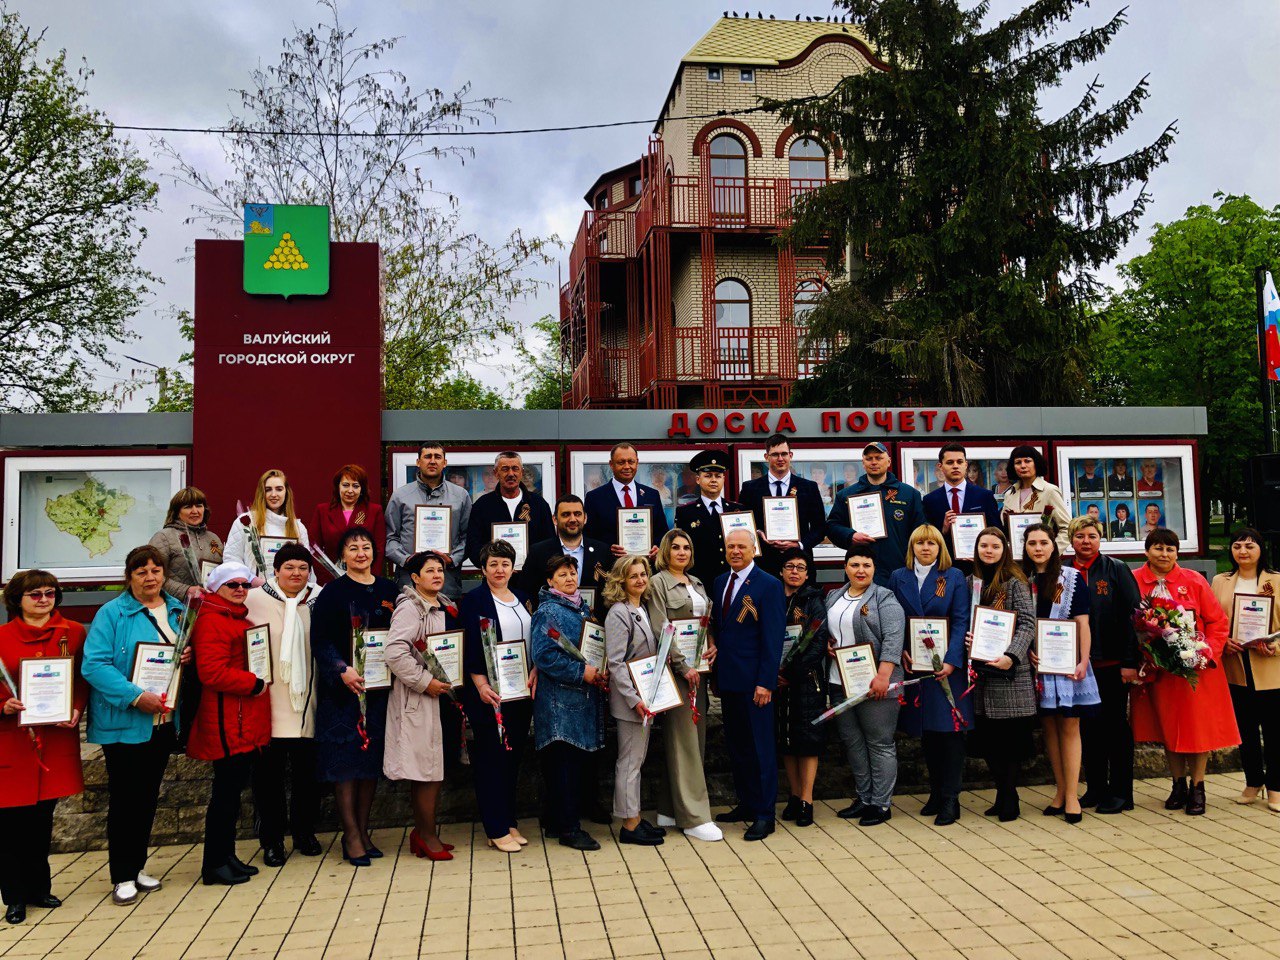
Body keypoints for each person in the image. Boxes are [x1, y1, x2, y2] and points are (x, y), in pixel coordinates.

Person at [82, 545, 188, 906]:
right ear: (129, 577)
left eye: (156, 570)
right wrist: (134, 696)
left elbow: (178, 656)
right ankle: (121, 875)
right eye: (141, 571)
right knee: (126, 800)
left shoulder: (176, 611)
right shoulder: (112, 613)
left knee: (146, 798)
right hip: (125, 721)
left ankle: (138, 866)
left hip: (161, 720)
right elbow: (94, 666)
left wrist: (186, 655)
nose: (150, 577)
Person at [1132, 528, 1238, 815]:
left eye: (1170, 549)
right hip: (1160, 670)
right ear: (1147, 551)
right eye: (1158, 548)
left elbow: (1217, 622)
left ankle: (1198, 786)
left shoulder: (1193, 581)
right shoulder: (1134, 582)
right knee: (1168, 728)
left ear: (1177, 553)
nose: (1164, 554)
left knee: (1197, 730)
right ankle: (1177, 783)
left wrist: (1207, 652)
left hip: (1196, 669)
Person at [0, 571, 86, 924]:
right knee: (10, 825)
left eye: (50, 593)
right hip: (13, 742)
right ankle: (14, 897)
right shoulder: (1, 637)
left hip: (54, 740)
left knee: (41, 821)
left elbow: (82, 678)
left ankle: (39, 888)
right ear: (16, 599)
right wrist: (2, 706)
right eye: (34, 594)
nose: (43, 599)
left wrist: (78, 706)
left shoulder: (75, 632)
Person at [310, 527, 397, 864]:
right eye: (352, 548)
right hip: (343, 693)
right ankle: (350, 835)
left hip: (378, 691)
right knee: (345, 765)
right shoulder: (332, 593)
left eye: (365, 547)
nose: (360, 553)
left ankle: (363, 830)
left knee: (369, 764)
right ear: (342, 556)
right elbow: (320, 640)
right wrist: (341, 669)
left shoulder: (389, 589)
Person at [187, 562, 271, 886]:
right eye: (232, 584)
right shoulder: (212, 621)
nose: (239, 589)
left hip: (240, 717)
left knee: (233, 794)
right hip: (226, 718)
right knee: (224, 795)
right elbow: (211, 672)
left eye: (244, 584)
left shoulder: (237, 618)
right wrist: (253, 683)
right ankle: (214, 865)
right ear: (216, 587)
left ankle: (227, 856)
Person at [243, 543, 322, 865]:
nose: (296, 574)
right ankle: (272, 840)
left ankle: (305, 833)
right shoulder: (253, 601)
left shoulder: (317, 600)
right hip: (268, 705)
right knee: (268, 780)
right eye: (289, 567)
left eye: (302, 568)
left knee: (307, 778)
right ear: (275, 571)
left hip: (308, 704)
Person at [889, 526, 971, 827]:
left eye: (932, 543)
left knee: (948, 732)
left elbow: (962, 619)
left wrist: (951, 661)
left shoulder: (954, 576)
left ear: (941, 547)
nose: (926, 548)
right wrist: (900, 652)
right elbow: (894, 619)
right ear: (912, 546)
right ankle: (936, 793)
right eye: (920, 543)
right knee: (927, 733)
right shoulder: (900, 576)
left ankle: (951, 798)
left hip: (946, 667)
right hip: (917, 664)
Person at [644, 529, 721, 841]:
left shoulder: (698, 583)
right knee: (685, 739)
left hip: (697, 672)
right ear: (665, 551)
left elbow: (704, 623)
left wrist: (711, 644)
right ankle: (694, 818)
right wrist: (682, 664)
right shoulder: (658, 583)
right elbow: (660, 627)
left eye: (686, 547)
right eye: (675, 547)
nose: (681, 552)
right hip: (676, 673)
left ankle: (669, 808)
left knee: (693, 738)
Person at [458, 540, 534, 853]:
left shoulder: (524, 598)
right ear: (483, 569)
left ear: (513, 567)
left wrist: (535, 671)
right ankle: (495, 826)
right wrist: (479, 684)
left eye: (504, 564)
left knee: (513, 757)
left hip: (521, 690)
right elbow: (470, 645)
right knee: (491, 758)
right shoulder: (473, 600)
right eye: (493, 565)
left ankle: (509, 820)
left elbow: (537, 638)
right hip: (488, 693)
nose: (499, 570)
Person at [1019, 523, 1097, 823]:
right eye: (1032, 543)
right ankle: (1060, 791)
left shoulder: (1071, 578)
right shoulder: (1020, 580)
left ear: (1054, 546)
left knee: (1070, 726)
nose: (1038, 548)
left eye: (1043, 542)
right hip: (1037, 665)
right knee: (1049, 728)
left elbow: (1082, 623)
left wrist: (1082, 659)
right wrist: (1026, 651)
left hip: (1067, 664)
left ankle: (1073, 795)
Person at [711, 528, 786, 841]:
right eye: (731, 546)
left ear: (754, 549)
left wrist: (765, 683)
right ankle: (746, 803)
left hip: (756, 684)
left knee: (761, 750)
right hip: (729, 681)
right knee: (738, 747)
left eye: (742, 546)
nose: (736, 551)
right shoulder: (720, 582)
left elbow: (772, 639)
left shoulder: (769, 585)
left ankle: (765, 814)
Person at [824, 544, 905, 827]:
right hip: (840, 680)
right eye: (855, 565)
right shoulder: (833, 596)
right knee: (853, 742)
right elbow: (829, 631)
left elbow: (894, 639)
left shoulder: (885, 597)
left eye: (866, 565)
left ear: (874, 569)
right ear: (845, 567)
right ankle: (864, 797)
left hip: (875, 683)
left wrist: (884, 677)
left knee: (879, 743)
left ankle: (881, 804)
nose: (861, 570)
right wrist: (828, 644)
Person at [385, 552, 457, 861]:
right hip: (419, 696)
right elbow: (394, 651)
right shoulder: (410, 608)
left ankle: (425, 833)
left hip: (439, 695)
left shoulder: (442, 605)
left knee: (431, 768)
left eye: (440, 570)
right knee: (426, 771)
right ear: (415, 578)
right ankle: (426, 835)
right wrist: (424, 681)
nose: (437, 575)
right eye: (430, 571)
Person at [532, 554, 607, 851]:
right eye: (561, 574)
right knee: (564, 765)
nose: (569, 578)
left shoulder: (581, 608)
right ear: (550, 581)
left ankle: (555, 821)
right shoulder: (549, 611)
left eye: (572, 572)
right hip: (559, 702)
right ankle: (569, 829)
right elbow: (545, 655)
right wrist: (582, 672)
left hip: (580, 699)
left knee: (570, 764)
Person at [1068, 516, 1141, 815]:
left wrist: (1129, 661)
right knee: (1089, 729)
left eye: (1092, 536)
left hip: (1112, 663)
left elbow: (1134, 617)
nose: (1086, 541)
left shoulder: (1116, 569)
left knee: (1115, 729)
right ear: (1071, 540)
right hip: (1077, 667)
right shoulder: (1064, 572)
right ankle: (1096, 787)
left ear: (1100, 539)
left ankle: (1122, 792)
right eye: (1080, 536)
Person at [966, 527, 1037, 822]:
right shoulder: (971, 583)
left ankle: (1011, 797)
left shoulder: (1014, 582)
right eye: (984, 546)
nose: (989, 551)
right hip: (982, 674)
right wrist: (968, 641)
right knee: (990, 741)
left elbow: (1028, 624)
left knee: (1010, 743)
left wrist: (1010, 656)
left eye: (995, 546)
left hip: (1009, 673)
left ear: (1004, 550)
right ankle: (1001, 794)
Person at [1212, 527, 1280, 811]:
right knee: (1246, 730)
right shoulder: (1220, 581)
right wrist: (1222, 642)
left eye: (1250, 546)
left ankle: (1276, 787)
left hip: (1270, 666)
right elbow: (1212, 619)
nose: (1243, 551)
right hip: (1235, 665)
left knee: (1275, 731)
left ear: (1261, 550)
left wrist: (1275, 646)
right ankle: (1253, 781)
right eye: (1237, 545)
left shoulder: (1276, 581)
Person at [603, 555, 665, 846]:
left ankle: (636, 817)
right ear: (621, 581)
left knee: (636, 761)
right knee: (629, 763)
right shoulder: (618, 612)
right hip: (631, 701)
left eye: (643, 574)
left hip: (647, 695)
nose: (640, 580)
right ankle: (628, 825)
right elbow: (615, 664)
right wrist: (633, 699)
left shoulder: (644, 607)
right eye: (633, 576)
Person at [774, 548, 828, 827]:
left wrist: (790, 674)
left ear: (808, 574)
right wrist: (774, 672)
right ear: (781, 570)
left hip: (806, 682)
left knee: (807, 741)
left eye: (800, 567)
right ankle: (794, 796)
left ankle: (807, 800)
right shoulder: (771, 598)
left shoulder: (814, 601)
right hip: (776, 682)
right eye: (789, 566)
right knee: (786, 740)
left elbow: (817, 642)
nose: (794, 571)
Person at [827, 441, 925, 585]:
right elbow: (832, 526)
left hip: (898, 570)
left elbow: (921, 531)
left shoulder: (909, 494)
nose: (874, 462)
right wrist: (851, 535)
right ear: (863, 463)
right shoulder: (846, 495)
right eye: (869, 458)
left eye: (878, 458)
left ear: (889, 461)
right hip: (860, 571)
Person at [385, 442, 472, 597]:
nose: (432, 461)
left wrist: (452, 559)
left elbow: (468, 537)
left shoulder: (461, 496)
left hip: (447, 584)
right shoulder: (400, 496)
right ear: (418, 462)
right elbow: (390, 538)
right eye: (427, 457)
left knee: (447, 621)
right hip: (409, 583)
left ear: (444, 463)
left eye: (437, 457)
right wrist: (406, 560)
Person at [738, 434, 826, 577]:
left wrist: (799, 544)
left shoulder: (808, 487)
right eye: (775, 454)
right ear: (766, 457)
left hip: (798, 564)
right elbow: (743, 525)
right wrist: (759, 533)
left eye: (784, 454)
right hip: (763, 565)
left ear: (790, 455)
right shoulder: (750, 488)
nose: (780, 459)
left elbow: (820, 527)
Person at [465, 451, 555, 569]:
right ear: (496, 473)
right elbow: (473, 546)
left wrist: (535, 567)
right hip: (495, 578)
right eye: (505, 469)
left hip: (531, 580)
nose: (511, 474)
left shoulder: (539, 504)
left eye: (515, 469)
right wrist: (491, 566)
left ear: (521, 472)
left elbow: (550, 543)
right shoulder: (482, 506)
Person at [922, 443, 1002, 573]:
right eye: (949, 462)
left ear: (966, 464)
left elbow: (997, 532)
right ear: (940, 466)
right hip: (944, 568)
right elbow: (926, 537)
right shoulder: (930, 500)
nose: (955, 466)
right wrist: (943, 529)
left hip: (980, 567)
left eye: (959, 462)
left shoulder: (984, 496)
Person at [522, 495, 611, 609]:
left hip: (595, 624)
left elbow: (611, 591)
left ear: (585, 518)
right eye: (566, 514)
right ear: (555, 519)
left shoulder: (603, 551)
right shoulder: (538, 552)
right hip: (553, 624)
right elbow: (527, 591)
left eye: (577, 514)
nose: (573, 519)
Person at [583, 442, 670, 558]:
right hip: (611, 568)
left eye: (631, 461)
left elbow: (662, 532)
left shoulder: (652, 495)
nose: (627, 466)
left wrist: (657, 548)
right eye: (621, 462)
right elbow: (589, 537)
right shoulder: (594, 497)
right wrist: (608, 549)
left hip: (645, 568)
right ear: (611, 464)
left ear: (637, 463)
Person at [674, 449, 745, 587]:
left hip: (732, 580)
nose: (713, 480)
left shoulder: (737, 510)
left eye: (718, 476)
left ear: (723, 479)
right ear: (698, 479)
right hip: (699, 582)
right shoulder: (685, 512)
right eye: (708, 475)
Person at [225, 469, 311, 575]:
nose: (273, 494)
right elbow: (232, 558)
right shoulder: (246, 521)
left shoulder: (298, 527)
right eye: (268, 489)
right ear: (262, 492)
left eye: (279, 489)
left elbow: (306, 566)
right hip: (253, 590)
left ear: (286, 492)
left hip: (289, 591)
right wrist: (251, 581)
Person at [149, 486, 224, 601]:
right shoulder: (164, 537)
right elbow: (152, 575)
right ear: (177, 512)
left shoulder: (213, 538)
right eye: (188, 507)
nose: (195, 511)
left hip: (210, 606)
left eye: (199, 506)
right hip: (175, 607)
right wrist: (186, 590)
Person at [310, 465, 386, 571]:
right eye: (345, 485)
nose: (350, 490)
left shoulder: (374, 511)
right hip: (331, 577)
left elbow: (379, 549)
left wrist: (371, 578)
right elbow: (314, 548)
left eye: (355, 486)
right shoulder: (322, 510)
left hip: (364, 575)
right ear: (338, 487)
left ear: (362, 489)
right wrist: (325, 576)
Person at [1001, 445, 1069, 552]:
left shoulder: (1049, 491)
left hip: (1041, 558)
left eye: (1027, 461)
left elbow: (1067, 528)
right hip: (1014, 559)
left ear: (1036, 463)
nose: (1023, 466)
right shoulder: (1009, 494)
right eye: (1018, 462)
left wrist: (1052, 551)